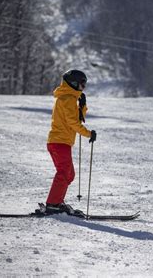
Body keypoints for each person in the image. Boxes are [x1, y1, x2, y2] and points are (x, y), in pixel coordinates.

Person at [44, 69, 97, 214]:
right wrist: (88, 133)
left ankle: (57, 202)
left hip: (60, 142)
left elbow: (77, 118)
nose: (83, 87)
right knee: (64, 172)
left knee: (69, 174)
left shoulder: (69, 98)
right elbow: (73, 123)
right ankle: (52, 204)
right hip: (59, 142)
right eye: (82, 84)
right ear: (73, 83)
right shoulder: (67, 99)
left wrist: (82, 106)